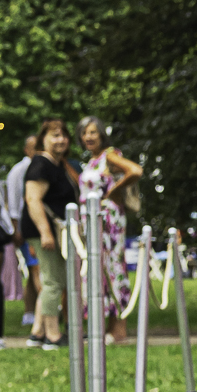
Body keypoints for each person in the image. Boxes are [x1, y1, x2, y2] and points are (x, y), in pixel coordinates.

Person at [78, 117, 139, 341]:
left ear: (102, 134)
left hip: (108, 221)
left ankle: (118, 329)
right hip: (92, 221)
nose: (88, 137)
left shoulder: (110, 155)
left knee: (111, 267)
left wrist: (114, 190)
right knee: (97, 269)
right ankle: (102, 329)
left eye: (93, 132)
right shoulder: (92, 160)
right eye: (85, 133)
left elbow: (135, 171)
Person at [23, 120, 80, 347]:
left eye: (64, 136)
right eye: (55, 135)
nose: (61, 140)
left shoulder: (59, 164)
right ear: (43, 139)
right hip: (45, 231)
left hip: (55, 230)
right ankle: (53, 335)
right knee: (53, 282)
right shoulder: (41, 163)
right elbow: (32, 199)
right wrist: (45, 233)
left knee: (53, 279)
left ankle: (37, 332)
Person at [6, 135, 39, 338]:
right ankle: (38, 312)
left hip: (33, 228)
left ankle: (31, 312)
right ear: (27, 150)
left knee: (33, 270)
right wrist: (17, 230)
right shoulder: (19, 171)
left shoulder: (38, 168)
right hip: (26, 229)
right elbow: (15, 203)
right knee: (35, 269)